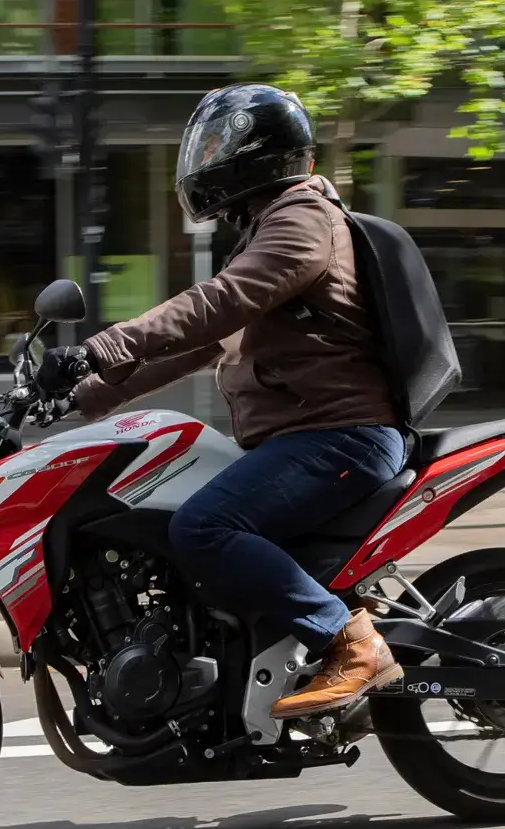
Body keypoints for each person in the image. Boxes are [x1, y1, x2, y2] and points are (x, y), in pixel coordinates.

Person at [36, 83, 405, 719]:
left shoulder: (304, 220)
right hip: (305, 436)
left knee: (204, 526)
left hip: (340, 435)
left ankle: (351, 641)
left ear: (257, 154)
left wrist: (103, 345)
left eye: (216, 146)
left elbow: (217, 305)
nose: (204, 160)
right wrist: (81, 398)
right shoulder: (271, 229)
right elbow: (201, 344)